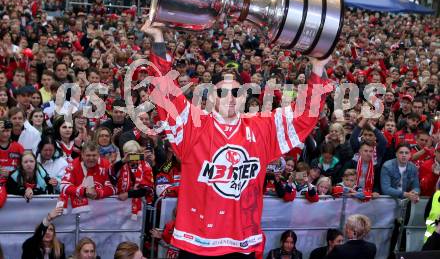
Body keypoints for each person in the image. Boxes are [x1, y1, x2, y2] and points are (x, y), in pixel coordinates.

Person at [142, 20, 332, 257]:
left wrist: (318, 68)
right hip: (197, 242)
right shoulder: (193, 124)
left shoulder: (262, 127)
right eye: (222, 92)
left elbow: (304, 116)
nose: (230, 97)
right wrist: (158, 40)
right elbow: (164, 92)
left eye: (237, 92)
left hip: (241, 242)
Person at [60, 141, 115, 213]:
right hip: (78, 213)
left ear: (98, 155)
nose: (91, 158)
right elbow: (63, 186)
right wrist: (84, 191)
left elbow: (113, 187)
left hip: (101, 212)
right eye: (88, 155)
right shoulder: (73, 165)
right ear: (82, 155)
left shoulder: (106, 165)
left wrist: (98, 193)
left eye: (94, 155)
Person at [110, 140, 154, 219]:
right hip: (119, 206)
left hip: (139, 208)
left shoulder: (145, 166)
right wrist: (123, 160)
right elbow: (111, 173)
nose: (132, 156)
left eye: (135, 154)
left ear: (139, 153)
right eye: (129, 154)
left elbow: (146, 189)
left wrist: (128, 194)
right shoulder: (120, 164)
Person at [0, 118, 24, 207]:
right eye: (2, 131)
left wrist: (11, 174)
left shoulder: (18, 147)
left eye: (8, 131)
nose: (5, 134)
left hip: (14, 183)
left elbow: (27, 166)